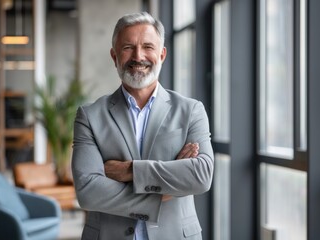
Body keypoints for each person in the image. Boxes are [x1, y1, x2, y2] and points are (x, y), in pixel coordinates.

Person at [72, 12, 214, 240]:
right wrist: (165, 190)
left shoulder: (191, 110)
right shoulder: (89, 116)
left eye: (148, 46)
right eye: (128, 47)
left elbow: (201, 175)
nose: (138, 56)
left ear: (162, 54)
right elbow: (88, 191)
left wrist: (129, 171)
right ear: (114, 56)